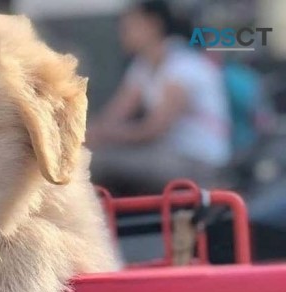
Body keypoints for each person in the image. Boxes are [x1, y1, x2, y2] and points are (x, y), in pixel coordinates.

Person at [88, 0, 232, 194]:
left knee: (96, 162)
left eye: (129, 25)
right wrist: (85, 135)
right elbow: (114, 114)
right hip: (165, 156)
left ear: (152, 25)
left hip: (197, 163)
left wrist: (102, 135)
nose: (122, 32)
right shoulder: (142, 66)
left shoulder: (182, 64)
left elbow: (153, 129)